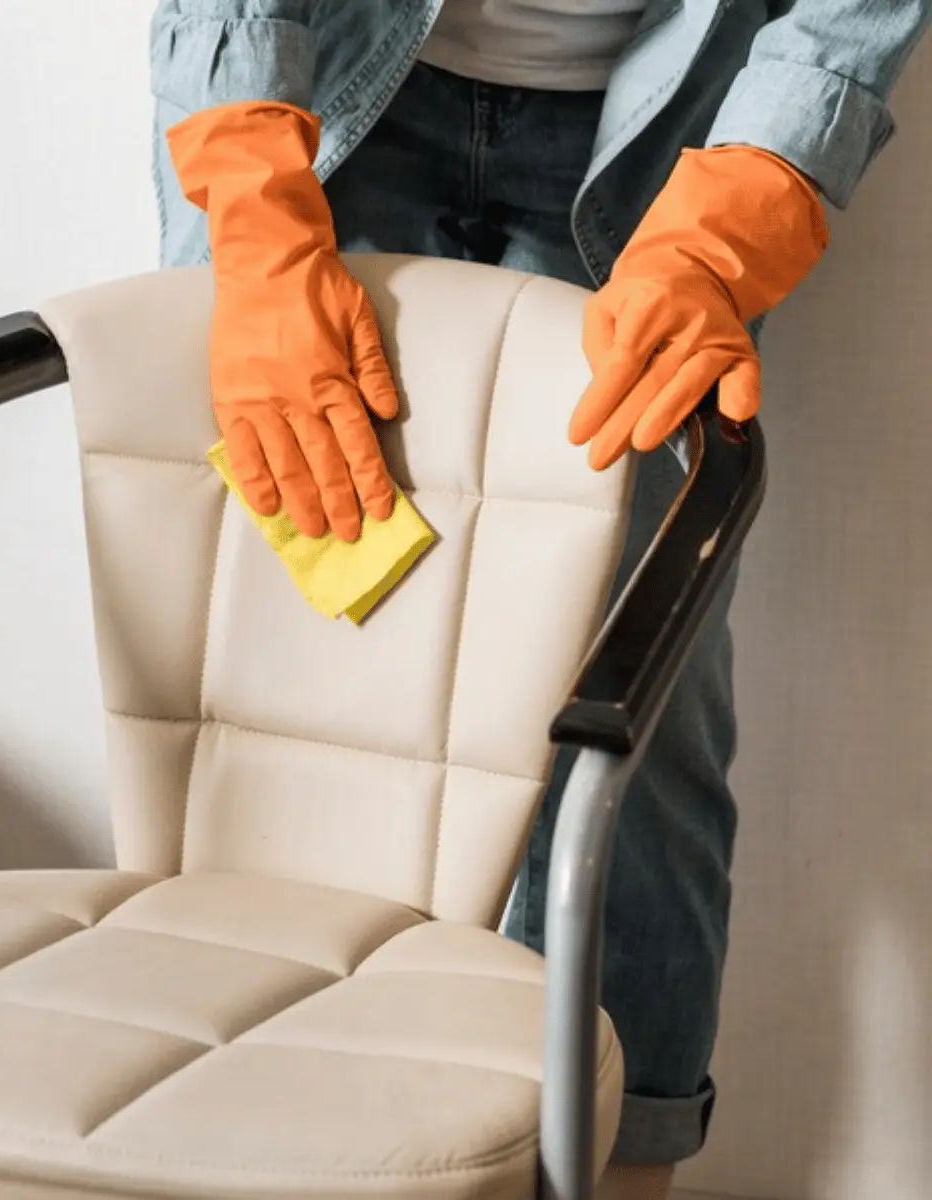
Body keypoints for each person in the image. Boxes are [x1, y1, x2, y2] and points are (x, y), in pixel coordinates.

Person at [148, 3, 929, 1198]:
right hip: (335, 91)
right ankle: (257, 1145)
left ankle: (611, 1167)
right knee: (289, 657)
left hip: (666, 128)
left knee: (632, 682)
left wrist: (729, 228)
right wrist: (253, 199)